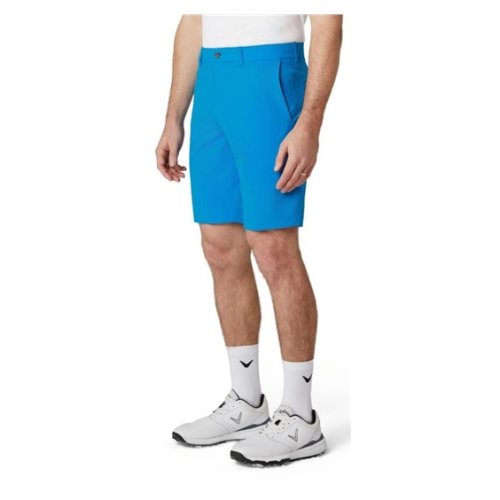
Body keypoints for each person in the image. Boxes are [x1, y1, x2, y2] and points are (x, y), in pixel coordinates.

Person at [156, 14, 342, 466]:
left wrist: (310, 123)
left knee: (273, 246)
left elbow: (328, 22)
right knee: (218, 244)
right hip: (212, 79)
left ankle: (300, 416)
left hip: (269, 75)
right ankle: (246, 400)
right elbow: (194, 19)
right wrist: (173, 117)